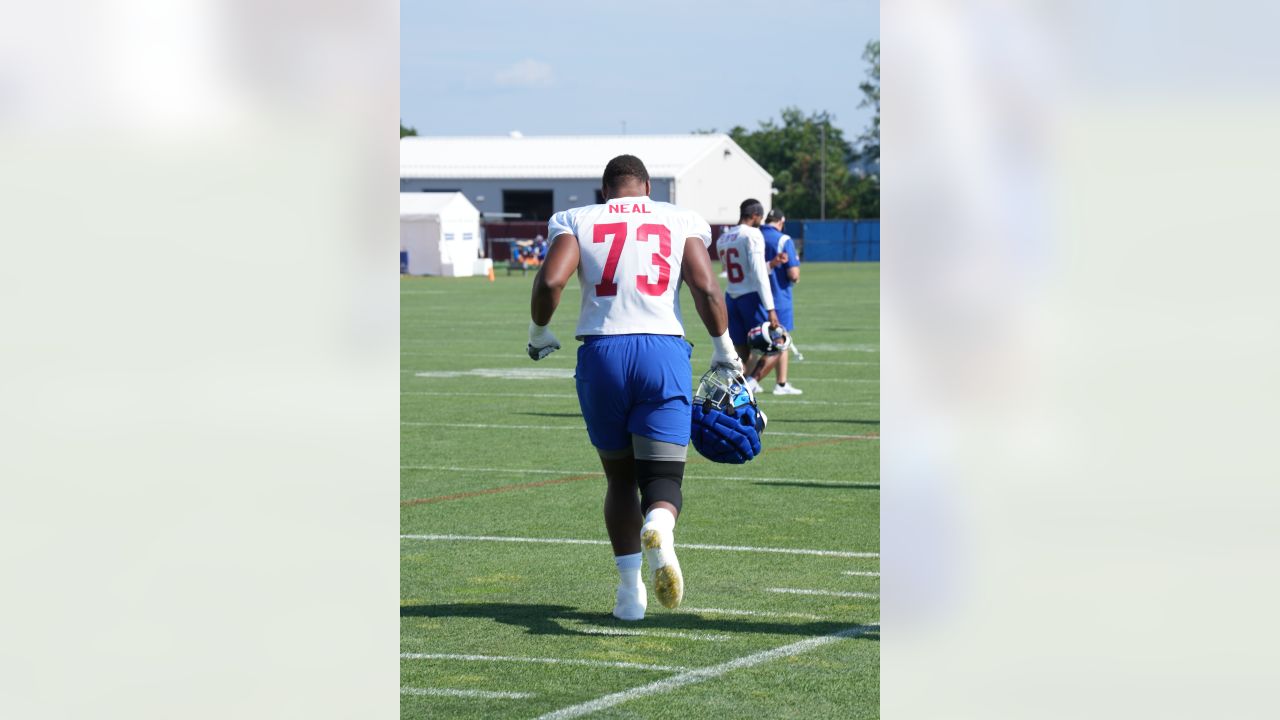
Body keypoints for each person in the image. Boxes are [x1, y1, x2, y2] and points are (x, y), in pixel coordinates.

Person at [526, 154, 742, 621]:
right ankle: (660, 524)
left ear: (606, 191)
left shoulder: (575, 218)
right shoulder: (678, 217)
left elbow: (551, 279)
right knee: (663, 479)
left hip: (601, 352)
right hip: (662, 350)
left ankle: (629, 595)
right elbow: (705, 286)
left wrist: (539, 331)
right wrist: (724, 347)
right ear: (646, 187)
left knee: (620, 479)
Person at [716, 198, 780, 396]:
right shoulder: (752, 234)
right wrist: (771, 309)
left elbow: (736, 270)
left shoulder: (723, 238)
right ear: (754, 216)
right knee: (778, 344)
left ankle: (733, 394)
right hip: (751, 298)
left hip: (731, 298)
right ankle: (749, 385)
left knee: (742, 353)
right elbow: (759, 274)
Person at [759, 208, 802, 394]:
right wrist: (796, 277)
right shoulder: (783, 240)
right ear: (781, 222)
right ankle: (781, 383)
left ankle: (747, 380)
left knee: (754, 340)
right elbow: (793, 274)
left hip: (753, 295)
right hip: (778, 296)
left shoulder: (754, 235)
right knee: (781, 339)